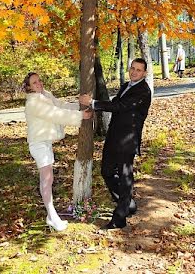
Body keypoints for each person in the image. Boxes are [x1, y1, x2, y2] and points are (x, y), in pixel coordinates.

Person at [79, 58, 151, 229]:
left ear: (145, 73)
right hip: (113, 136)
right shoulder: (127, 85)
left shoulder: (143, 91)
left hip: (127, 140)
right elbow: (115, 104)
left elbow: (121, 106)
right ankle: (127, 204)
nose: (134, 72)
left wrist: (93, 103)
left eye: (138, 70)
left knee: (125, 176)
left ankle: (119, 217)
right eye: (132, 68)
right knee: (106, 171)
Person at [23, 72, 92, 232]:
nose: (39, 83)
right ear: (28, 87)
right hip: (38, 144)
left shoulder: (45, 95)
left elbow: (61, 106)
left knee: (49, 178)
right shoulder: (33, 102)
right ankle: (52, 215)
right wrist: (81, 116)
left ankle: (51, 214)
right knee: (47, 179)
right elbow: (56, 114)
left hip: (45, 142)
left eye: (39, 80)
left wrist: (79, 106)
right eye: (34, 83)